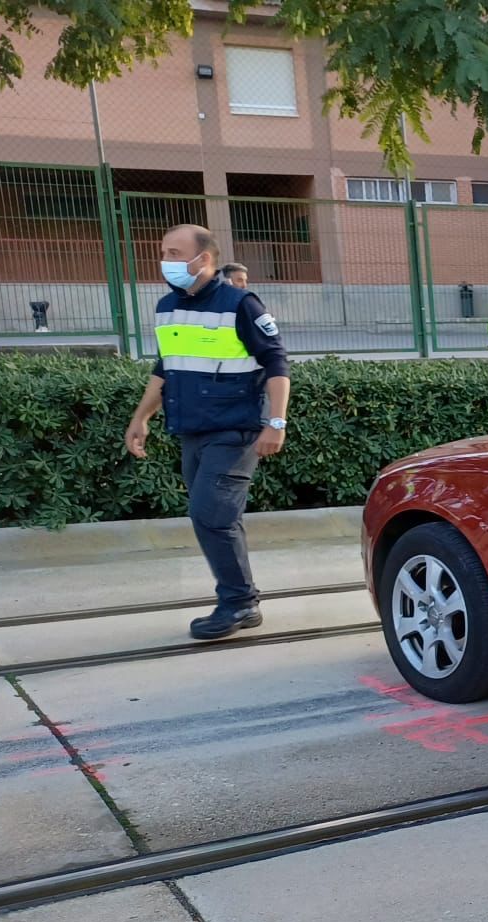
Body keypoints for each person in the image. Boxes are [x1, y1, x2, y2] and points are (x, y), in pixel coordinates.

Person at [123, 224, 290, 640]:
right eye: (164, 251)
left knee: (210, 515)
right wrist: (140, 417)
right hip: (191, 431)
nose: (167, 260)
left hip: (235, 431)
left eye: (176, 252)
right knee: (216, 518)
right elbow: (166, 368)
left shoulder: (240, 303)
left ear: (205, 259)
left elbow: (276, 363)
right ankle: (243, 601)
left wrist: (277, 421)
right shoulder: (166, 306)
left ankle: (238, 602)